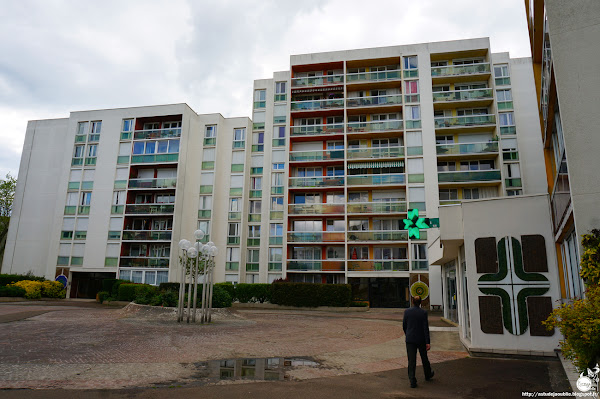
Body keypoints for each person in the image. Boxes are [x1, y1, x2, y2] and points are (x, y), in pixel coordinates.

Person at [402, 295, 434, 388]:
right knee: (424, 358)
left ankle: (412, 380)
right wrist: (427, 341)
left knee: (411, 360)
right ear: (420, 302)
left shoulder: (407, 312)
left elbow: (404, 325)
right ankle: (427, 374)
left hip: (410, 339)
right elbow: (425, 327)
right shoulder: (423, 312)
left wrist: (407, 333)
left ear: (412, 302)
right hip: (421, 339)